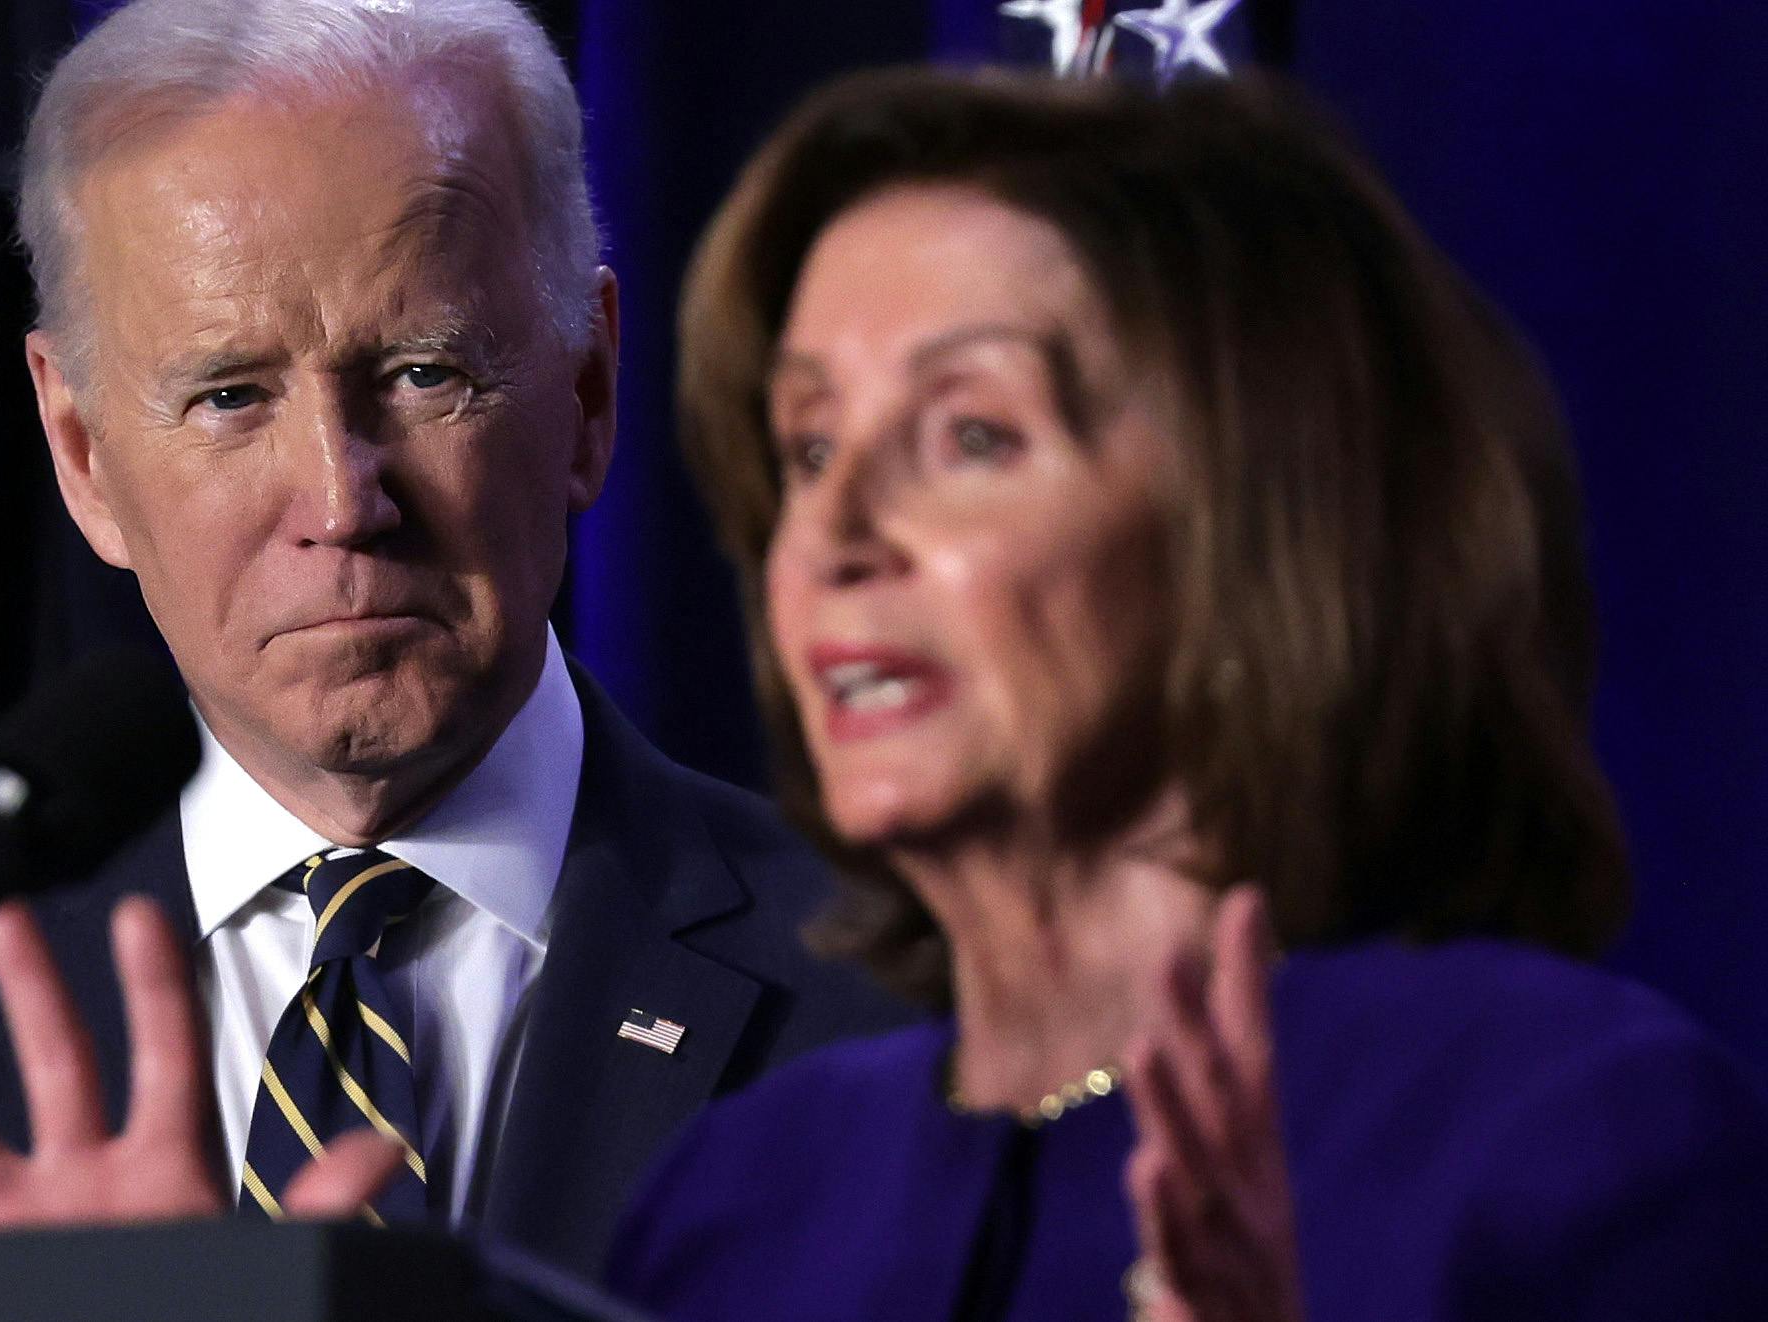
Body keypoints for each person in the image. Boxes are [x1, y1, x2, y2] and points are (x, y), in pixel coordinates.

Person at [600, 68, 1768, 1319]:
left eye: (971, 435)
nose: (830, 534)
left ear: (1256, 531)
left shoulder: (1575, 1132)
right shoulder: (734, 1202)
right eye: (810, 447)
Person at [0, 0, 905, 1279]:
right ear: (81, 456)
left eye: (423, 373)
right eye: (230, 395)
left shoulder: (905, 994)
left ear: (585, 394)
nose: (346, 503)